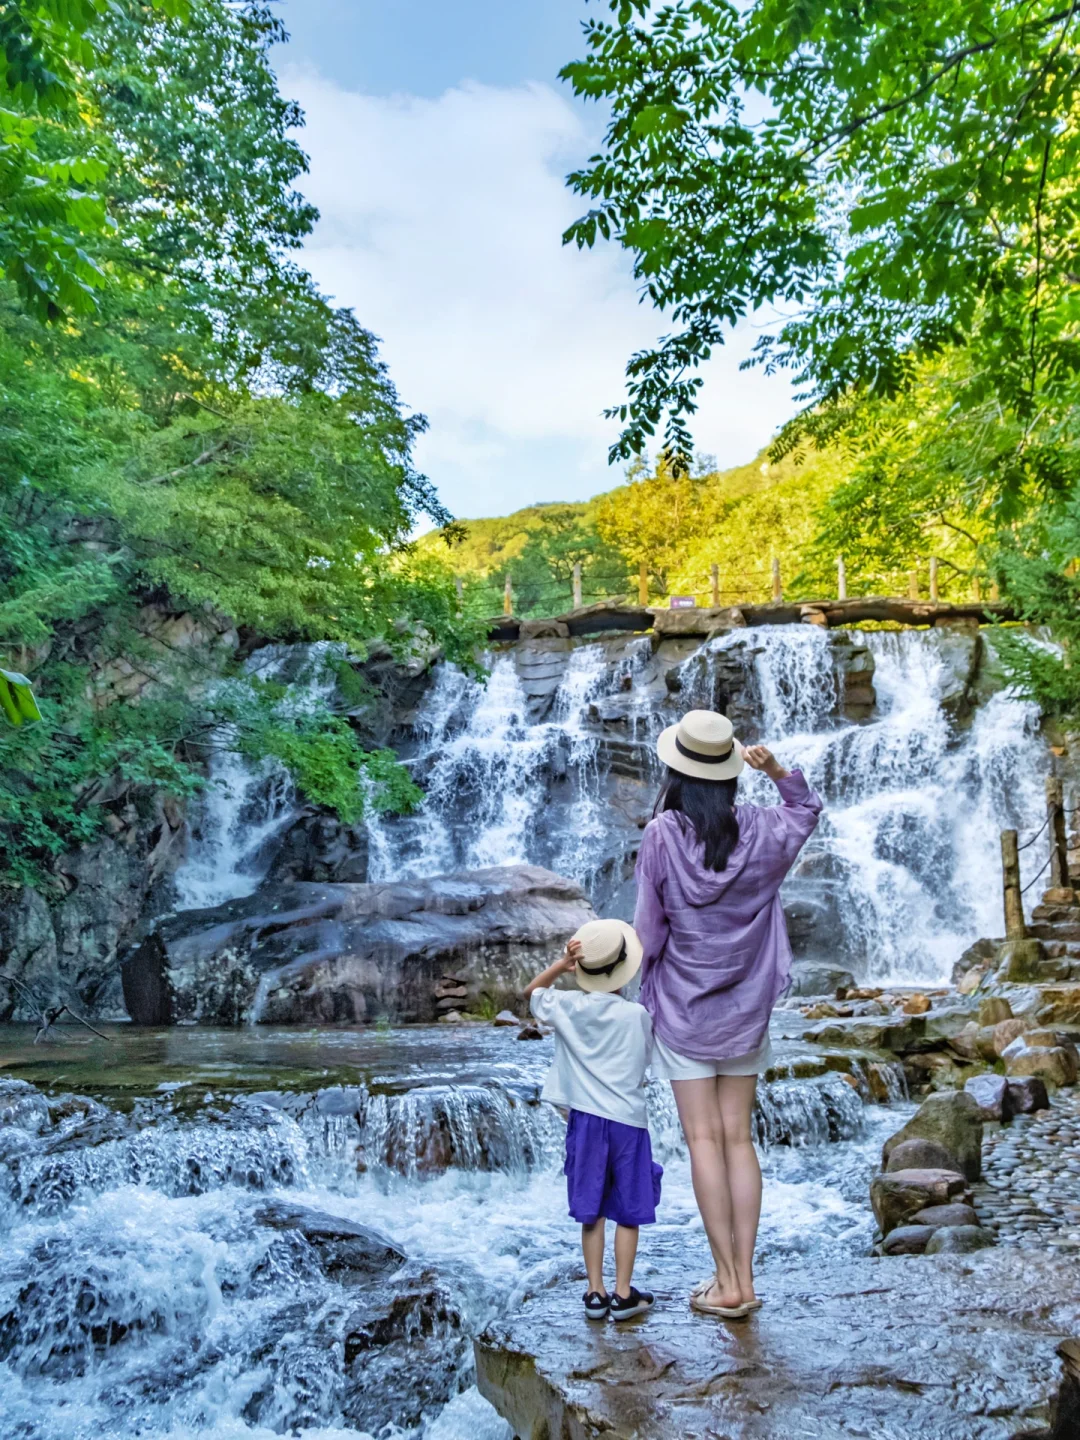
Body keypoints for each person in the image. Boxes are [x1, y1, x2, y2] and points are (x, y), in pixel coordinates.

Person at [634, 708, 822, 1319]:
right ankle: (746, 1276)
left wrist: (633, 987)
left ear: (678, 773)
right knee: (739, 1139)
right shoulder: (764, 830)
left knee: (704, 1141)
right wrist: (780, 774)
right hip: (747, 1005)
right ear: (733, 773)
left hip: (684, 1009)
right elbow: (806, 811)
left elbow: (649, 930)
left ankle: (724, 1282)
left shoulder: (662, 834)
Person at [524, 917, 662, 1322]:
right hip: (628, 1123)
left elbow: (531, 993)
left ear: (582, 970)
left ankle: (594, 1292)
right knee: (629, 1211)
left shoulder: (567, 1006)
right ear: (624, 972)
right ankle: (623, 1294)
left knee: (592, 1209)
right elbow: (645, 1064)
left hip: (585, 1123)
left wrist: (560, 966)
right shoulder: (637, 1015)